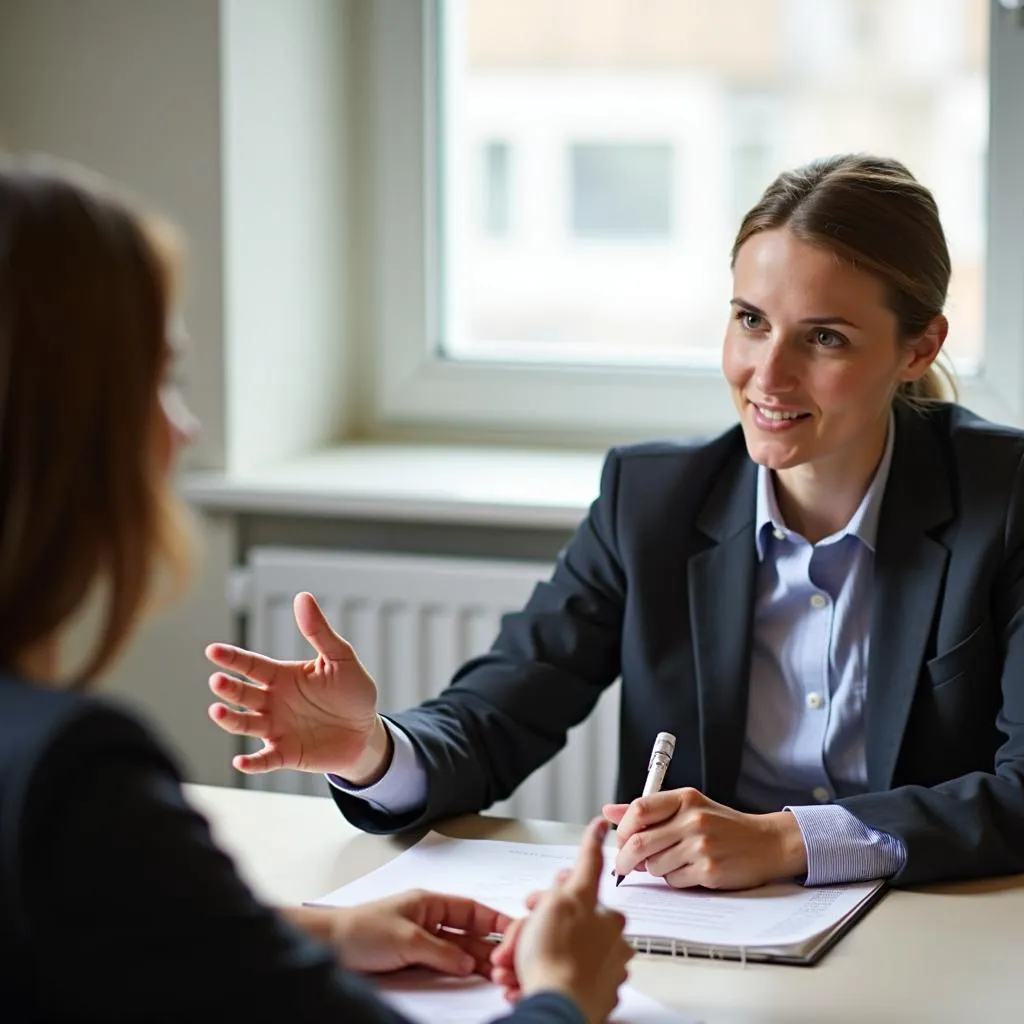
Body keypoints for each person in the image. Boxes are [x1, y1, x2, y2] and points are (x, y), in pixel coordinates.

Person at [208, 152, 1024, 892]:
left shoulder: (1008, 496)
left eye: (826, 338)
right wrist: (372, 750)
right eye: (750, 321)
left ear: (918, 348)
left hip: (931, 924)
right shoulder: (652, 499)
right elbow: (502, 713)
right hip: (705, 939)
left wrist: (788, 842)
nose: (767, 374)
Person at [0, 157, 634, 1024]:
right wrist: (565, 990)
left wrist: (315, 937)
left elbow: (93, 932)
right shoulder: (72, 777)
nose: (183, 429)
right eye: (158, 379)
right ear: (58, 423)